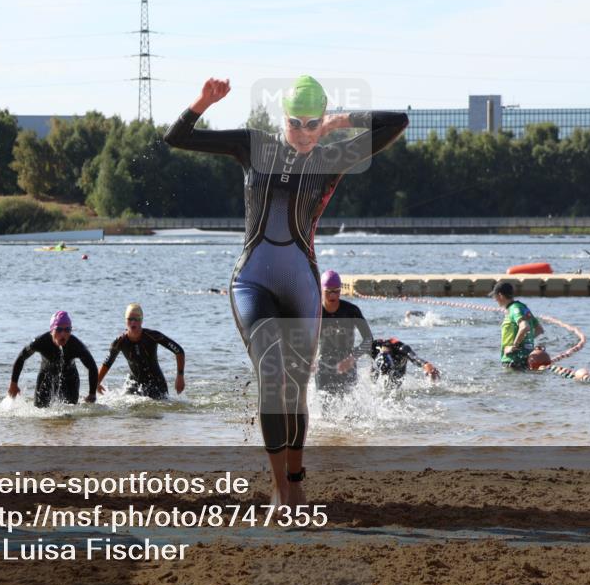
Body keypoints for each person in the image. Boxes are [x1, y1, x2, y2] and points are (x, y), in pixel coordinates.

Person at [164, 75, 408, 505]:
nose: (303, 132)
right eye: (295, 122)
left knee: (295, 388)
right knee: (272, 374)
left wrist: (340, 122)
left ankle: (295, 478)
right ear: (283, 118)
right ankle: (278, 488)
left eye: (313, 124)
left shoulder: (333, 158)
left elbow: (397, 123)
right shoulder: (254, 146)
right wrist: (203, 101)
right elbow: (176, 138)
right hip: (251, 280)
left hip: (301, 285)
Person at [8, 311, 100, 407]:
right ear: (52, 331)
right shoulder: (40, 342)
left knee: (71, 414)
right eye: (59, 329)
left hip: (70, 380)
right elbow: (21, 358)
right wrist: (13, 384)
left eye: (67, 330)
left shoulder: (76, 345)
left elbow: (92, 367)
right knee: (39, 411)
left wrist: (92, 394)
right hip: (45, 378)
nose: (63, 334)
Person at [97, 303, 185, 400]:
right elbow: (107, 363)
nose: (133, 323)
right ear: (125, 320)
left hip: (156, 383)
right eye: (130, 319)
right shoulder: (119, 342)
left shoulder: (153, 336)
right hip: (133, 384)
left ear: (141, 320)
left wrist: (180, 376)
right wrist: (96, 383)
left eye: (137, 319)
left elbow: (179, 351)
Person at [316, 270, 373, 395]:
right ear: (321, 291)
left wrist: (352, 358)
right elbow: (305, 340)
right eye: (328, 291)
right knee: (326, 408)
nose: (333, 295)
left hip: (348, 364)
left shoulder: (351, 311)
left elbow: (368, 339)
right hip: (323, 366)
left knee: (349, 410)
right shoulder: (315, 312)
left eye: (336, 291)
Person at [490, 282, 544, 370]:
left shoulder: (514, 309)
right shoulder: (523, 307)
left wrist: (514, 346)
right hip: (526, 359)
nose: (494, 300)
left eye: (494, 297)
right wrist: (526, 344)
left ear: (500, 295)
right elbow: (539, 329)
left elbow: (524, 327)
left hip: (513, 360)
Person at [369, 337, 440, 389]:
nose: (384, 374)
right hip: (379, 363)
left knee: (392, 389)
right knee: (372, 382)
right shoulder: (375, 347)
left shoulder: (402, 349)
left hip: (398, 369)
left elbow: (415, 359)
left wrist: (426, 365)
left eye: (385, 372)